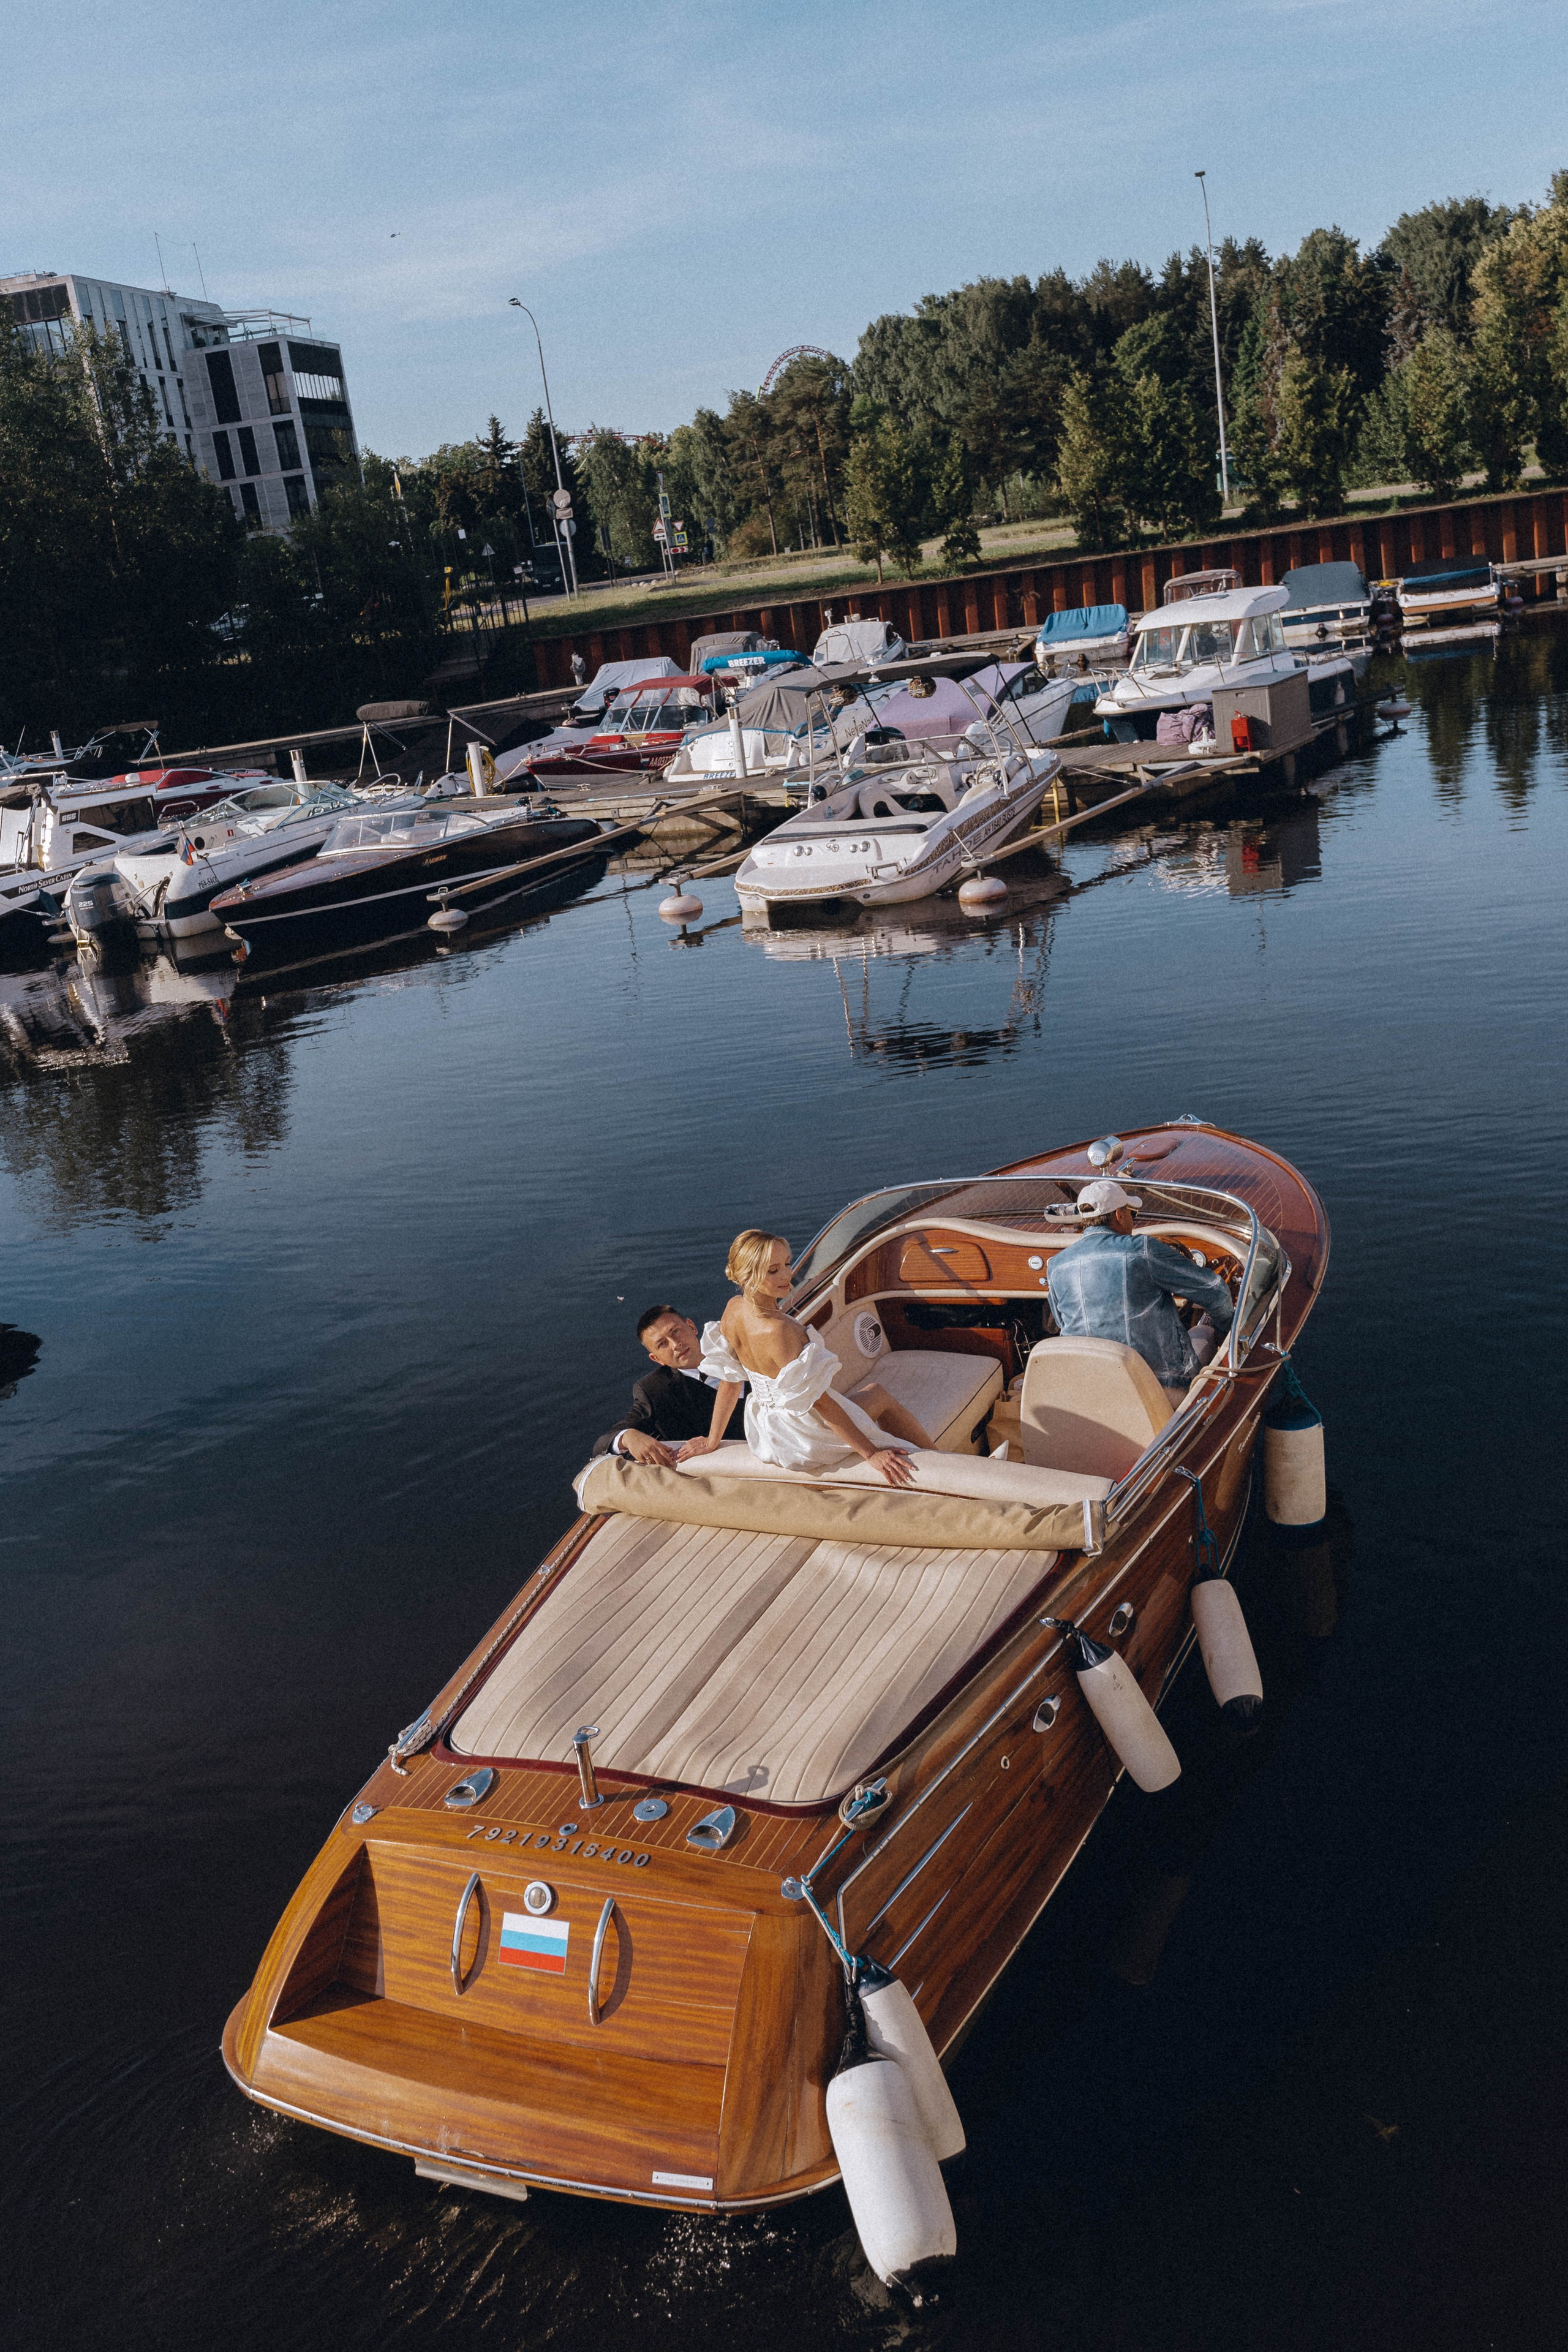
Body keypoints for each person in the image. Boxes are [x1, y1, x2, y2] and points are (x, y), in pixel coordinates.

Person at [681, 1229, 930, 1487]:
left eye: (787, 1264)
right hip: (801, 1435)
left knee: (873, 1393)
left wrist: (712, 1440)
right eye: (773, 1271)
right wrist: (871, 1454)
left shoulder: (733, 1309)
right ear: (748, 1276)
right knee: (879, 1396)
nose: (787, 1275)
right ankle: (940, 1459)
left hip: (766, 1431)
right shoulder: (780, 1330)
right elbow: (820, 1403)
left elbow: (730, 1382)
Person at [1046, 1180, 1234, 1395]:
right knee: (1204, 1332)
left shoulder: (1057, 1265)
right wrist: (1224, 1330)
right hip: (1159, 1387)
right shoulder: (1143, 1250)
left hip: (1091, 1389)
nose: (1132, 1219)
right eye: (1131, 1213)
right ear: (1119, 1215)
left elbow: (1062, 1322)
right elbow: (1217, 1292)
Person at [592, 1305, 745, 1467]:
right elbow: (602, 1444)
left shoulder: (735, 1347)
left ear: (692, 1327)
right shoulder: (655, 1391)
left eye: (675, 1331)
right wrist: (628, 1437)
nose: (675, 1344)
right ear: (657, 1359)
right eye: (662, 1344)